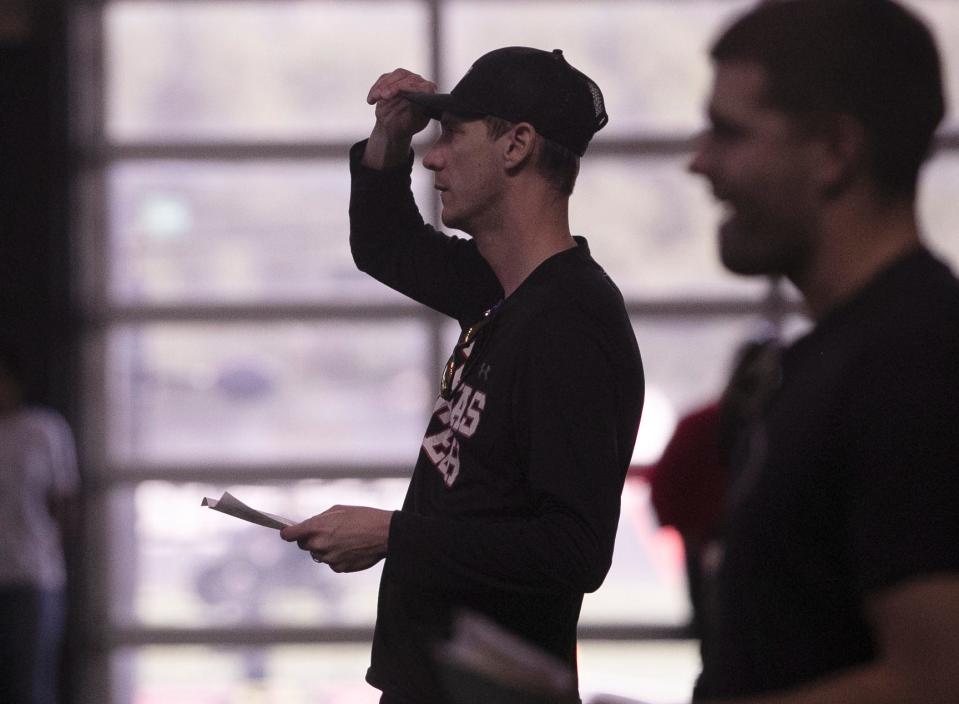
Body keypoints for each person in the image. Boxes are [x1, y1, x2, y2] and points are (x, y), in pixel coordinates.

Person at [280, 46, 644, 703]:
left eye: (452, 135)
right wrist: (390, 136)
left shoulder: (570, 325)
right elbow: (386, 244)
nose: (432, 155)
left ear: (516, 146)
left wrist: (394, 533)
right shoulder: (501, 291)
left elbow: (573, 551)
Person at [685, 0, 959, 702]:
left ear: (835, 151)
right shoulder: (834, 357)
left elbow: (934, 680)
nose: (698, 163)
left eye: (728, 133)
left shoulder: (915, 359)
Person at [0, 342, 79, 704]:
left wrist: (48, 549)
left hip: (32, 575)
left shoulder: (41, 429)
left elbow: (63, 501)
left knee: (30, 683)